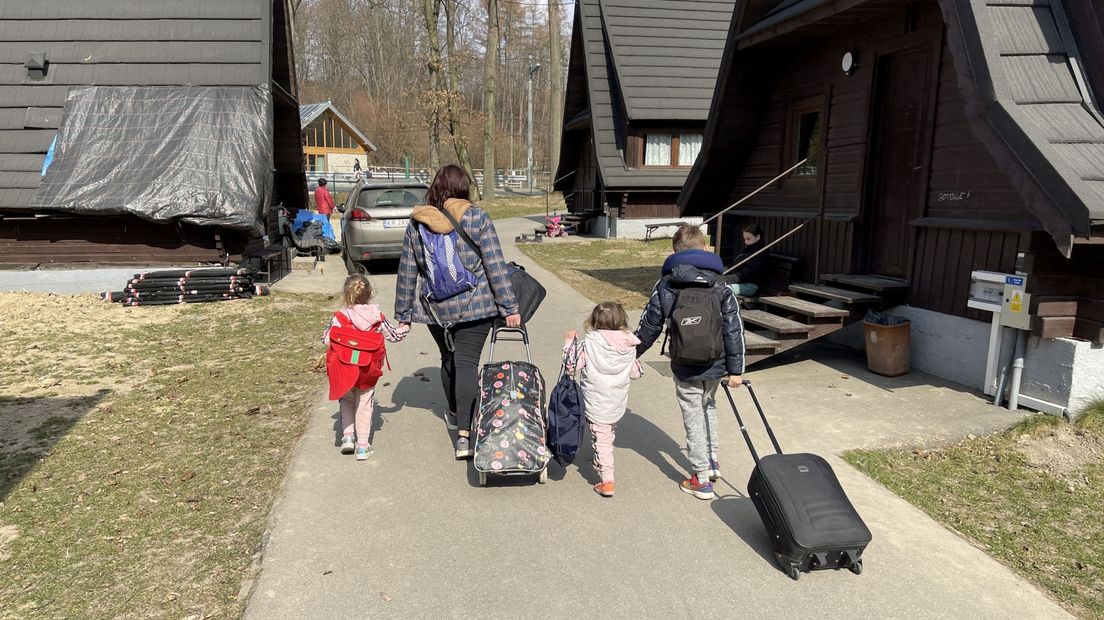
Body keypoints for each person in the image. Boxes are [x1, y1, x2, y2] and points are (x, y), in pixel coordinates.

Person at [394, 165, 521, 459]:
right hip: (475, 307)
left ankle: (453, 411)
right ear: (464, 187)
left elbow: (408, 271)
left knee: (448, 357)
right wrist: (509, 307)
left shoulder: (418, 222)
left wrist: (404, 313)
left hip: (435, 310)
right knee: (467, 364)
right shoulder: (477, 217)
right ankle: (465, 435)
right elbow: (494, 265)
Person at [636, 224, 745, 500]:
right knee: (708, 407)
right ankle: (712, 461)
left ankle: (701, 478)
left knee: (692, 416)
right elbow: (734, 330)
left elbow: (650, 324)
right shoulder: (722, 285)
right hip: (716, 361)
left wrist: (630, 354)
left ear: (674, 252)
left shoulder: (665, 283)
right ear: (705, 249)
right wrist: (736, 370)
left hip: (684, 363)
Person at [323, 275, 407, 460]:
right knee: (364, 404)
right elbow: (394, 336)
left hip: (344, 366)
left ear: (346, 295)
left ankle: (347, 437)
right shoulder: (376, 317)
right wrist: (405, 327)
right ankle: (362, 446)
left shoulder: (340, 316)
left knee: (346, 401)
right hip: (367, 368)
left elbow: (326, 338)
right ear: (370, 294)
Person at [563, 302, 643, 498]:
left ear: (595, 321)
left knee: (602, 439)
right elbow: (635, 373)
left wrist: (568, 344)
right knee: (608, 430)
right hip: (617, 400)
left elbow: (571, 367)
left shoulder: (590, 343)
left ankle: (607, 479)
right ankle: (601, 459)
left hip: (595, 400)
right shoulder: (628, 344)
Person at [726, 224, 767, 296]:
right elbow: (736, 264)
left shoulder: (760, 254)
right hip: (742, 282)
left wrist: (727, 278)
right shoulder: (748, 250)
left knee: (722, 289)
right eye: (744, 239)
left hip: (751, 286)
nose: (745, 242)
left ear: (758, 237)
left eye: (748, 239)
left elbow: (747, 273)